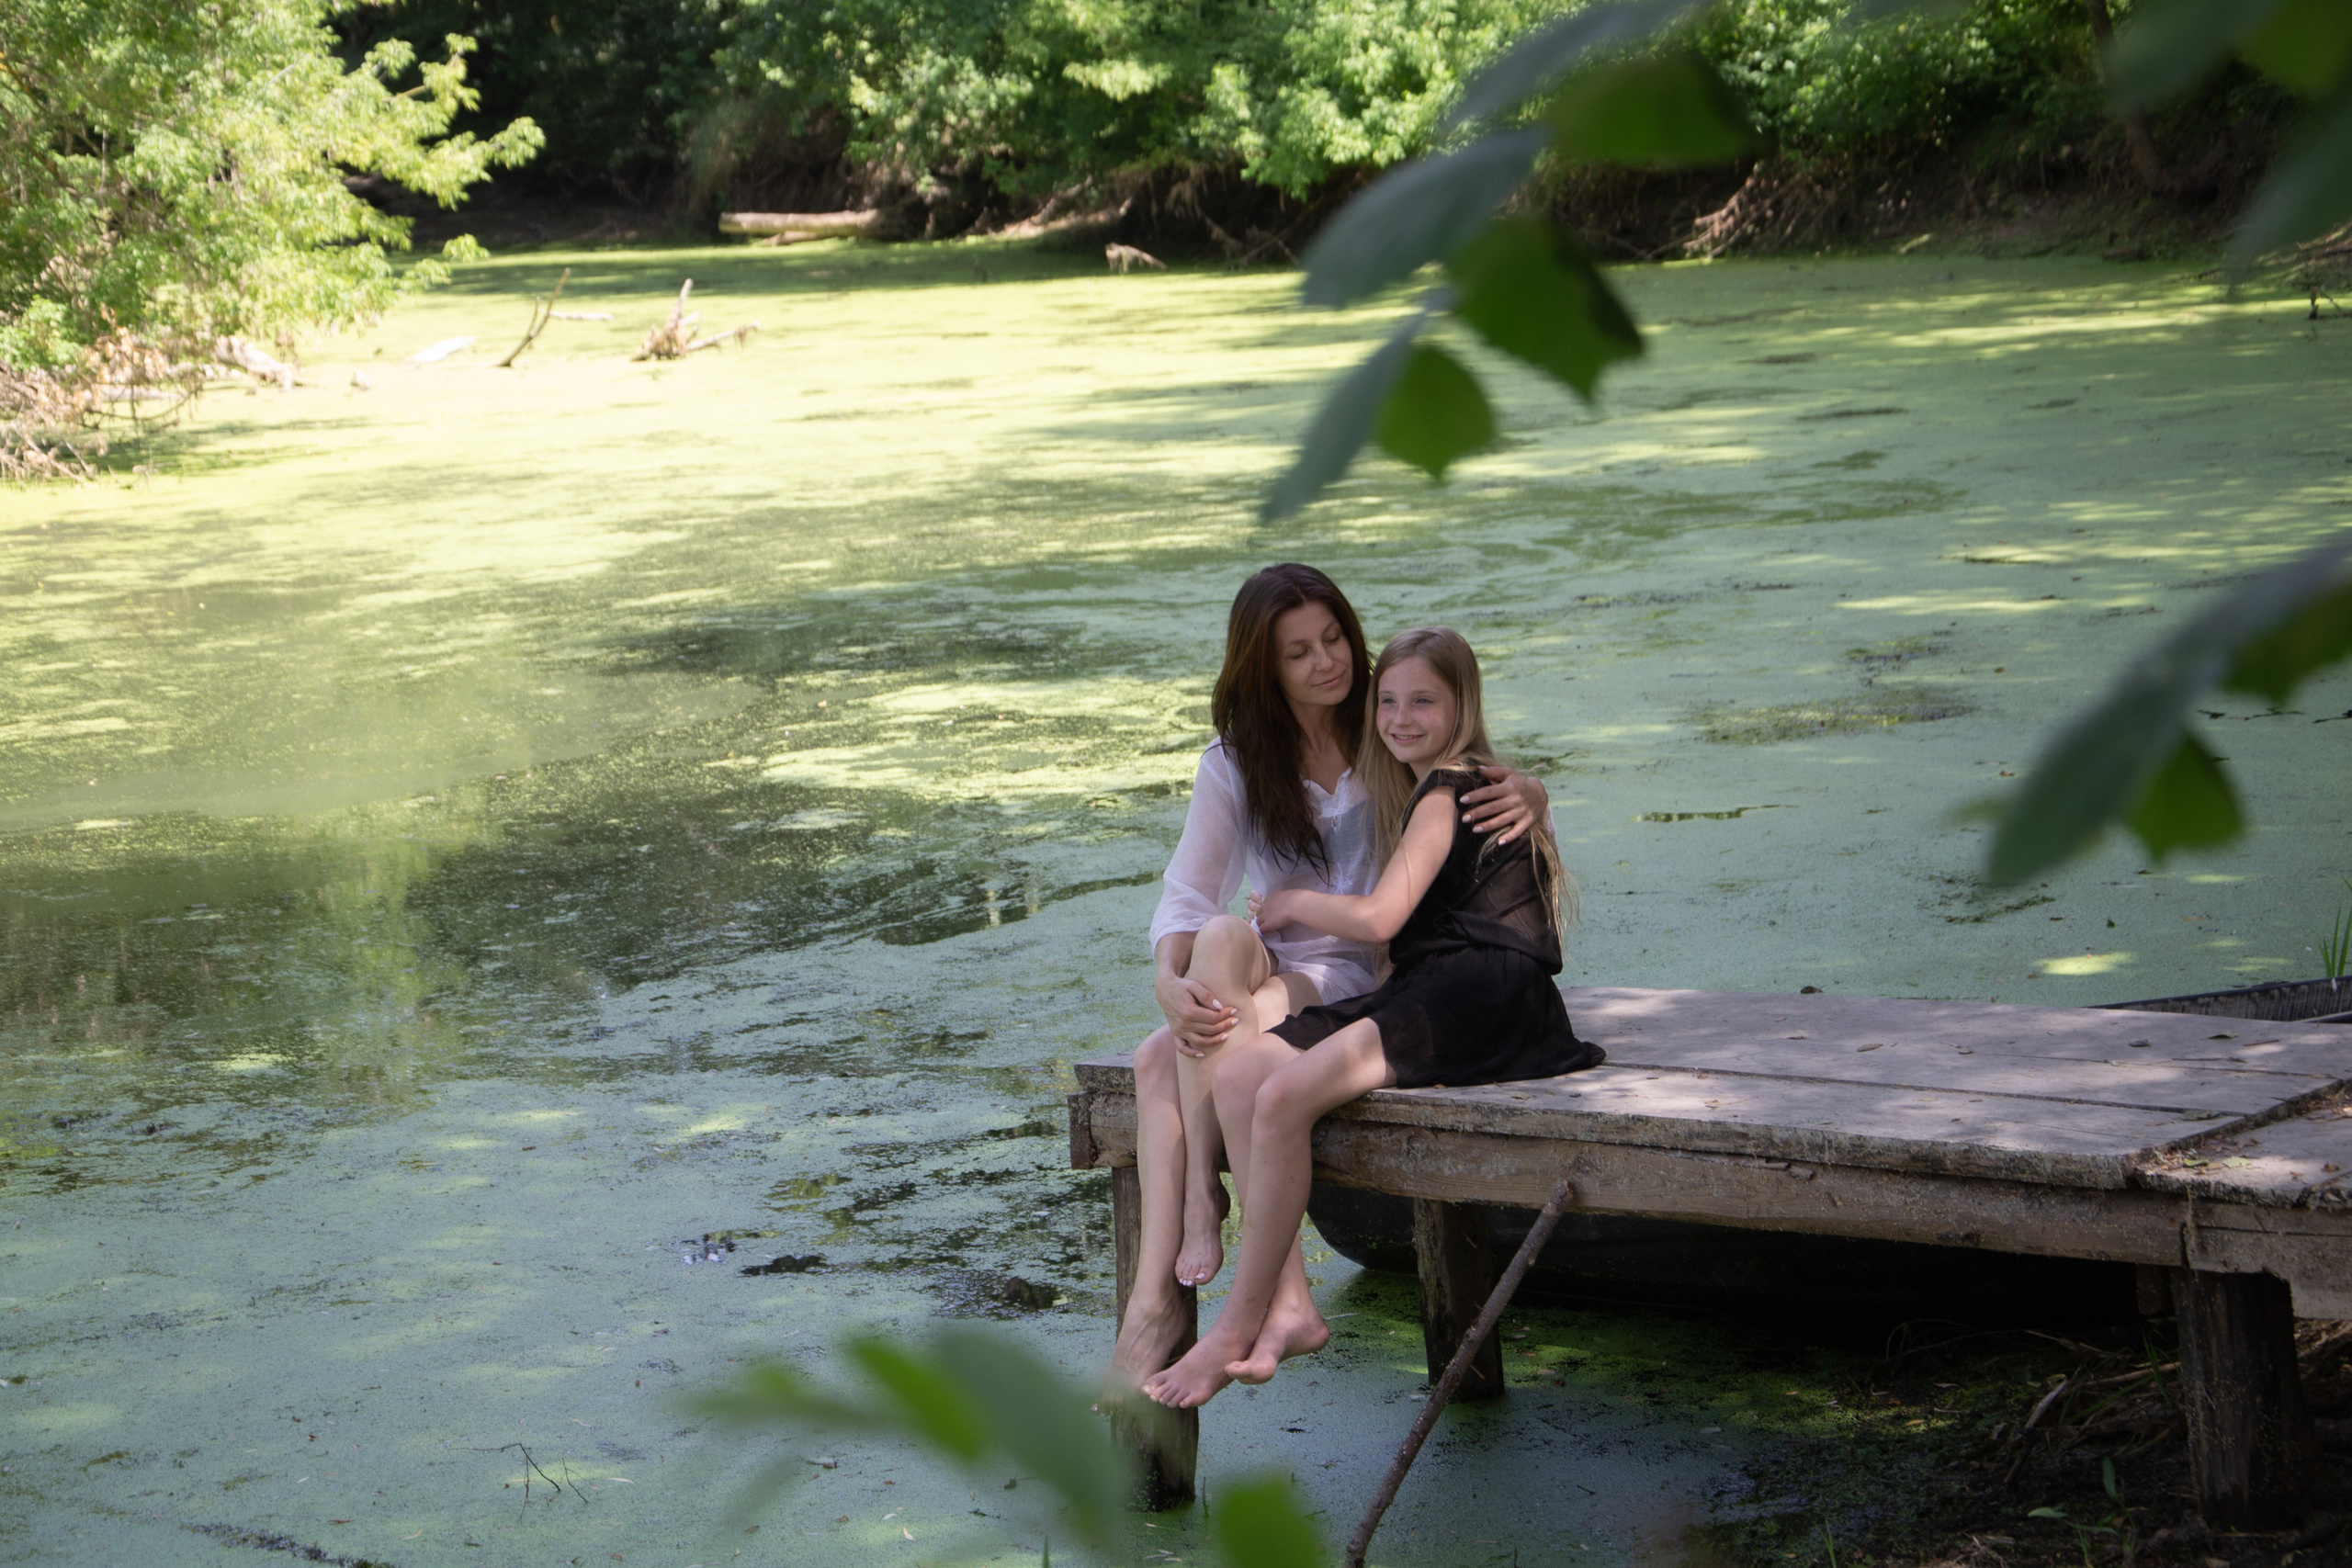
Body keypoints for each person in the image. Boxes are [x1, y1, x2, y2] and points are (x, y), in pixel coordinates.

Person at [1108, 570, 1551, 1392]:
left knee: (1154, 1064)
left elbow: (1464, 777)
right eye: (1299, 652)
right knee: (1214, 939)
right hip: (1280, 968)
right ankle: (1191, 1247)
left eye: (1335, 638)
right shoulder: (1238, 762)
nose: (1328, 663)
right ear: (1262, 668)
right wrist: (1167, 981)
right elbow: (1186, 892)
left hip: (1366, 973)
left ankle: (1168, 1299)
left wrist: (1532, 789)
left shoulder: (1389, 721)